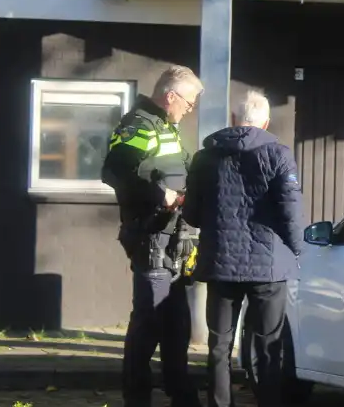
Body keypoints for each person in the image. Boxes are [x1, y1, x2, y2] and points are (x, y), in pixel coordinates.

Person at [183, 90, 304, 407]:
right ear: (265, 121)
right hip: (269, 265)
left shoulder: (205, 157)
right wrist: (297, 251)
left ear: (234, 120)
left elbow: (192, 215)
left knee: (219, 345)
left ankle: (219, 403)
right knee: (268, 345)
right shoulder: (279, 155)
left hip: (222, 263)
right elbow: (290, 211)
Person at [101, 66, 205, 407]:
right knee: (147, 323)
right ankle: (137, 397)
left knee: (177, 323)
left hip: (174, 238)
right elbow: (115, 170)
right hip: (151, 236)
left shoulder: (165, 127)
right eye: (188, 103)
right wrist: (161, 195)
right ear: (170, 96)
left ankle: (181, 394)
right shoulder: (139, 125)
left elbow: (176, 169)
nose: (190, 110)